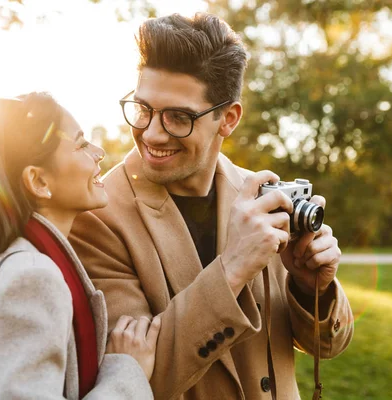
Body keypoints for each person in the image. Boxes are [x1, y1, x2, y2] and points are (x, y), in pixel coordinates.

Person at [69, 12, 354, 400]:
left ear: (228, 118)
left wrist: (310, 288)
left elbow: (328, 346)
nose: (152, 133)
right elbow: (135, 382)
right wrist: (234, 266)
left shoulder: (263, 195)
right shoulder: (98, 216)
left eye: (178, 117)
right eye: (143, 108)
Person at [0, 93, 160, 400]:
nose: (98, 152)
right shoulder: (29, 277)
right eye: (80, 144)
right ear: (38, 181)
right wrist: (130, 375)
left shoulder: (2, 265)